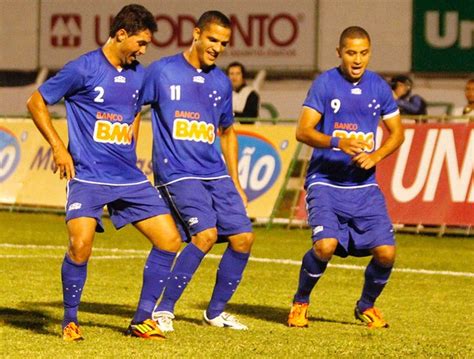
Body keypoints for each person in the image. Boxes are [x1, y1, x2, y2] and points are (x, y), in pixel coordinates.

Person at [27, 4, 182, 341]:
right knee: (80, 246)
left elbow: (136, 110)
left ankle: (142, 319)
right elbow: (36, 102)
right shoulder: (82, 68)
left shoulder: (139, 74)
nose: (143, 51)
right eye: (140, 43)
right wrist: (57, 146)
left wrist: (131, 143)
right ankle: (70, 319)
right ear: (121, 34)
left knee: (170, 240)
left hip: (128, 176)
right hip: (87, 175)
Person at [140, 10, 255, 332]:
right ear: (196, 34)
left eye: (224, 43)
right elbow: (135, 110)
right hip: (176, 171)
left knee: (244, 238)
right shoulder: (162, 71)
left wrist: (236, 181)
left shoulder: (220, 81)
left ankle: (215, 312)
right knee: (205, 234)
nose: (217, 47)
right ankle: (164, 310)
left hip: (215, 173)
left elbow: (227, 131)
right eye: (213, 40)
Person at [287, 26, 404, 329]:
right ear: (339, 52)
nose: (357, 59)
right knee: (325, 246)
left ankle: (366, 305)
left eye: (363, 53)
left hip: (363, 185)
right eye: (351, 52)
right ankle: (301, 302)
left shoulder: (379, 88)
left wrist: (377, 156)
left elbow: (398, 134)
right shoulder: (325, 84)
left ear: (370, 52)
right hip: (325, 181)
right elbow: (303, 131)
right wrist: (339, 142)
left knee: (386, 253)